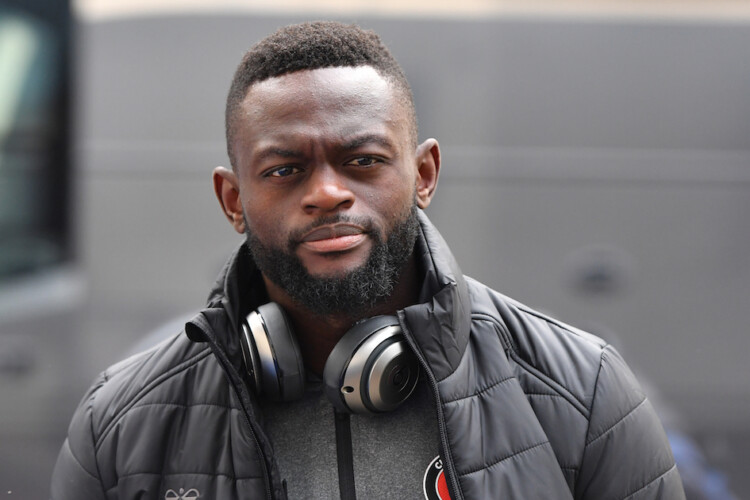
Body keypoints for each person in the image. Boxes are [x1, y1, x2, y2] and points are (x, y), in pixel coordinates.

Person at [51, 21, 685, 499]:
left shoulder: (584, 395)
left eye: (363, 160)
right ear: (233, 200)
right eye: (285, 169)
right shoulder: (121, 426)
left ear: (424, 173)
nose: (328, 192)